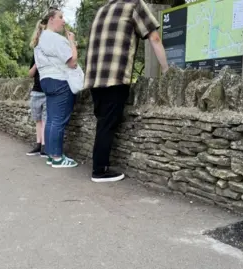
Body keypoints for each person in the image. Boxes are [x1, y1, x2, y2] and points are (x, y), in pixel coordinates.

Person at [84, 0, 169, 183]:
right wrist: (167, 70)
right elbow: (154, 37)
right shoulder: (134, 5)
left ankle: (100, 165)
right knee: (108, 123)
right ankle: (99, 170)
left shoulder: (102, 9)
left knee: (102, 122)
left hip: (93, 77)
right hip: (115, 75)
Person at [34, 7, 78, 168]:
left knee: (51, 119)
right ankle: (58, 158)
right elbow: (72, 62)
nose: (64, 20)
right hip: (60, 81)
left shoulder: (40, 40)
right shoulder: (55, 39)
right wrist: (72, 42)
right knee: (58, 120)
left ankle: (51, 155)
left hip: (46, 81)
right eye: (61, 17)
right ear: (51, 19)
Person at [26, 21, 47, 157]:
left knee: (46, 120)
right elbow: (30, 74)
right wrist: (37, 64)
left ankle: (45, 146)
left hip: (47, 91)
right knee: (38, 120)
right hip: (36, 90)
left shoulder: (50, 51)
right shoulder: (36, 51)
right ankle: (38, 145)